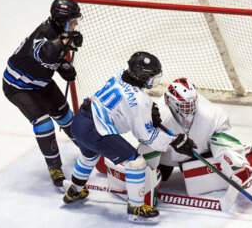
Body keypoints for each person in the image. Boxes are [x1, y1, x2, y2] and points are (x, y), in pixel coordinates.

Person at [62, 52, 197, 223]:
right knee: (136, 163)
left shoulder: (120, 74)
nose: (154, 80)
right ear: (141, 75)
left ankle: (75, 189)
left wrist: (148, 114)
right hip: (95, 130)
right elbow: (146, 137)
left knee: (89, 155)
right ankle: (136, 208)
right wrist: (173, 141)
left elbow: (126, 104)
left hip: (79, 121)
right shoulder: (140, 101)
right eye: (151, 77)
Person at [2, 0, 83, 189]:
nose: (76, 24)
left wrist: (64, 66)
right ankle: (55, 167)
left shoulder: (63, 33)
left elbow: (53, 58)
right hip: (18, 85)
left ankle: (88, 149)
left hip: (42, 82)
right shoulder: (46, 32)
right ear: (62, 19)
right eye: (73, 20)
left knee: (66, 117)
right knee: (44, 123)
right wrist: (65, 42)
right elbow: (44, 53)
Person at [138, 77, 252, 193]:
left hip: (199, 153)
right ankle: (143, 177)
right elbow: (146, 140)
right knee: (159, 170)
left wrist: (235, 162)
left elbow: (224, 137)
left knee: (209, 168)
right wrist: (146, 173)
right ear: (169, 101)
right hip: (168, 158)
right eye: (184, 105)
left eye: (191, 104)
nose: (189, 109)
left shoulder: (211, 114)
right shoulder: (159, 115)